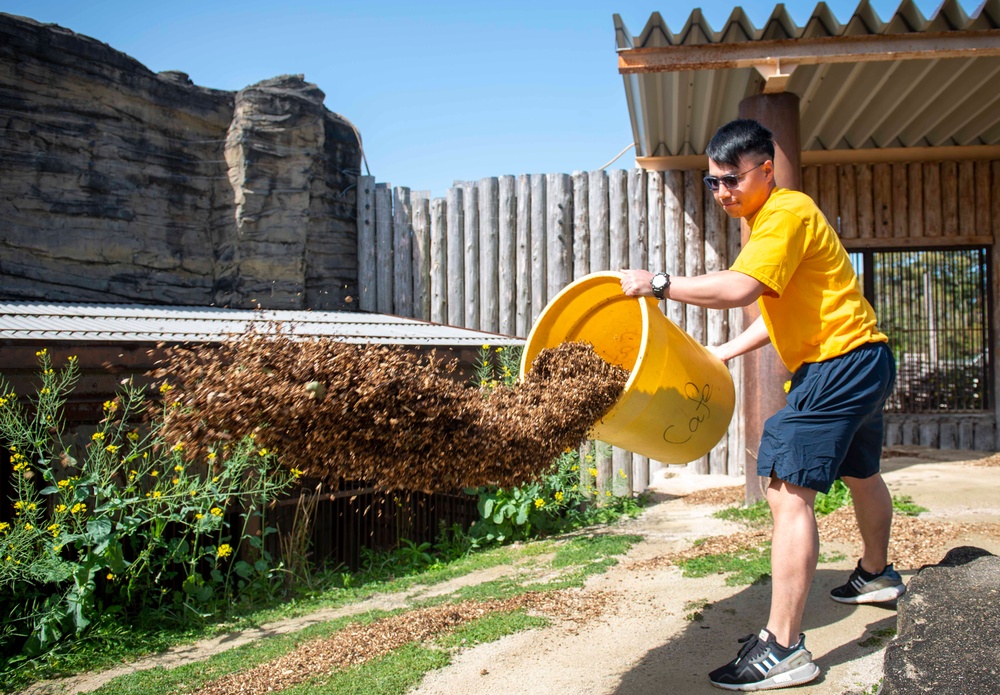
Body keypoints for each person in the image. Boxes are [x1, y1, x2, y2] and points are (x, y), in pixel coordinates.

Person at [620, 118, 904, 691]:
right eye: (712, 183)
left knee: (784, 490)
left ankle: (784, 647)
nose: (723, 192)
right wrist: (722, 352)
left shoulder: (785, 213)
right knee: (862, 472)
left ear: (766, 170)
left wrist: (658, 283)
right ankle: (875, 574)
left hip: (837, 366)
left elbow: (738, 290)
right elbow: (778, 314)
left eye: (732, 179)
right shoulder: (770, 222)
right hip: (866, 357)